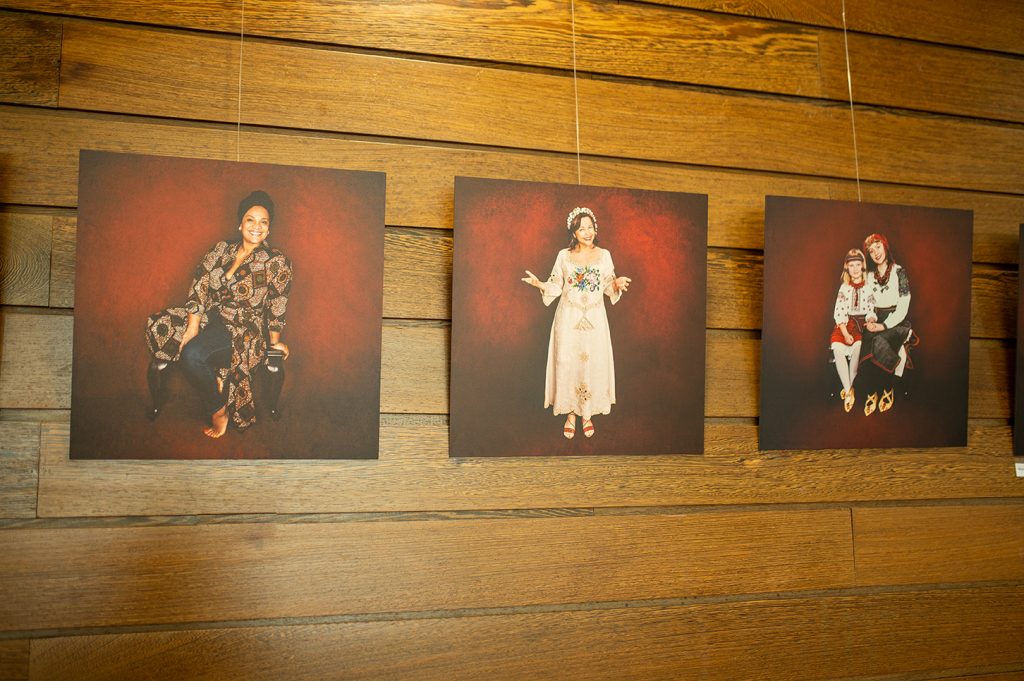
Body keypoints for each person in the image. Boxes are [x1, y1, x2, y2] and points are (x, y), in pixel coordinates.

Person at [145, 190, 293, 438]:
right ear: (240, 223)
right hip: (209, 317)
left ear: (269, 229)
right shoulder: (222, 249)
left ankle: (218, 410)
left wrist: (275, 343)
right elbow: (199, 285)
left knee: (192, 355)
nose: (256, 226)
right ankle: (214, 376)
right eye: (250, 219)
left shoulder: (277, 262)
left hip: (243, 329)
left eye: (263, 222)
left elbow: (278, 305)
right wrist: (192, 326)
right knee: (159, 325)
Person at [521, 207, 631, 439]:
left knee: (592, 362)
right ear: (574, 232)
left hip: (595, 320)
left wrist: (616, 284)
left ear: (595, 229)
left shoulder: (605, 255)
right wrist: (540, 284)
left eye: (590, 227)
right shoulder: (563, 256)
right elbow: (556, 285)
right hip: (568, 319)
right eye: (582, 228)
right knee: (567, 362)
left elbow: (607, 284)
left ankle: (587, 414)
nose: (587, 232)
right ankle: (571, 413)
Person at [860, 232, 915, 415]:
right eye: (871, 250)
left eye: (878, 246)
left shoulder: (899, 272)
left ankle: (888, 387)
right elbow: (868, 303)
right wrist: (870, 318)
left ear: (885, 246)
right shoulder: (868, 276)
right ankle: (872, 391)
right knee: (865, 339)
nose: (876, 252)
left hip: (896, 320)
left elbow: (904, 305)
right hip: (877, 318)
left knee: (879, 340)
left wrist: (883, 326)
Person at [830, 249, 874, 412]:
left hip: (861, 326)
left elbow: (871, 308)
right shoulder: (844, 288)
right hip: (845, 325)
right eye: (851, 265)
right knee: (837, 349)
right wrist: (845, 333)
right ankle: (849, 390)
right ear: (846, 268)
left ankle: (849, 390)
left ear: (863, 266)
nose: (855, 269)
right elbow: (839, 312)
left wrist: (870, 319)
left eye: (858, 264)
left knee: (857, 351)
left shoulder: (868, 287)